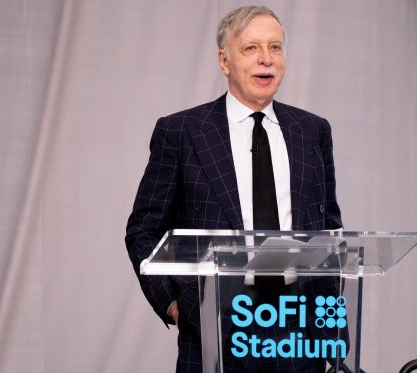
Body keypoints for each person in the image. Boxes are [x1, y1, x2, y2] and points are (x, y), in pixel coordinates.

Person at [125, 5, 342, 372]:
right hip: (217, 329)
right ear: (224, 61)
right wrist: (173, 305)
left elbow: (329, 229)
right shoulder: (181, 132)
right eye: (251, 48)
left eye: (275, 47)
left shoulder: (313, 131)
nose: (266, 59)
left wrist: (328, 321)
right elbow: (143, 232)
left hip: (299, 334)